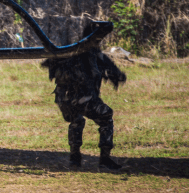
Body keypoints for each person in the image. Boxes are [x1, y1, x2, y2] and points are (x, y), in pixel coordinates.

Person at [41, 36, 127, 170]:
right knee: (106, 117)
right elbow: (119, 77)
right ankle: (104, 159)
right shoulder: (95, 55)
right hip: (83, 98)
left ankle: (74, 158)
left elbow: (47, 64)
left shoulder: (66, 52)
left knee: (76, 120)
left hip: (64, 100)